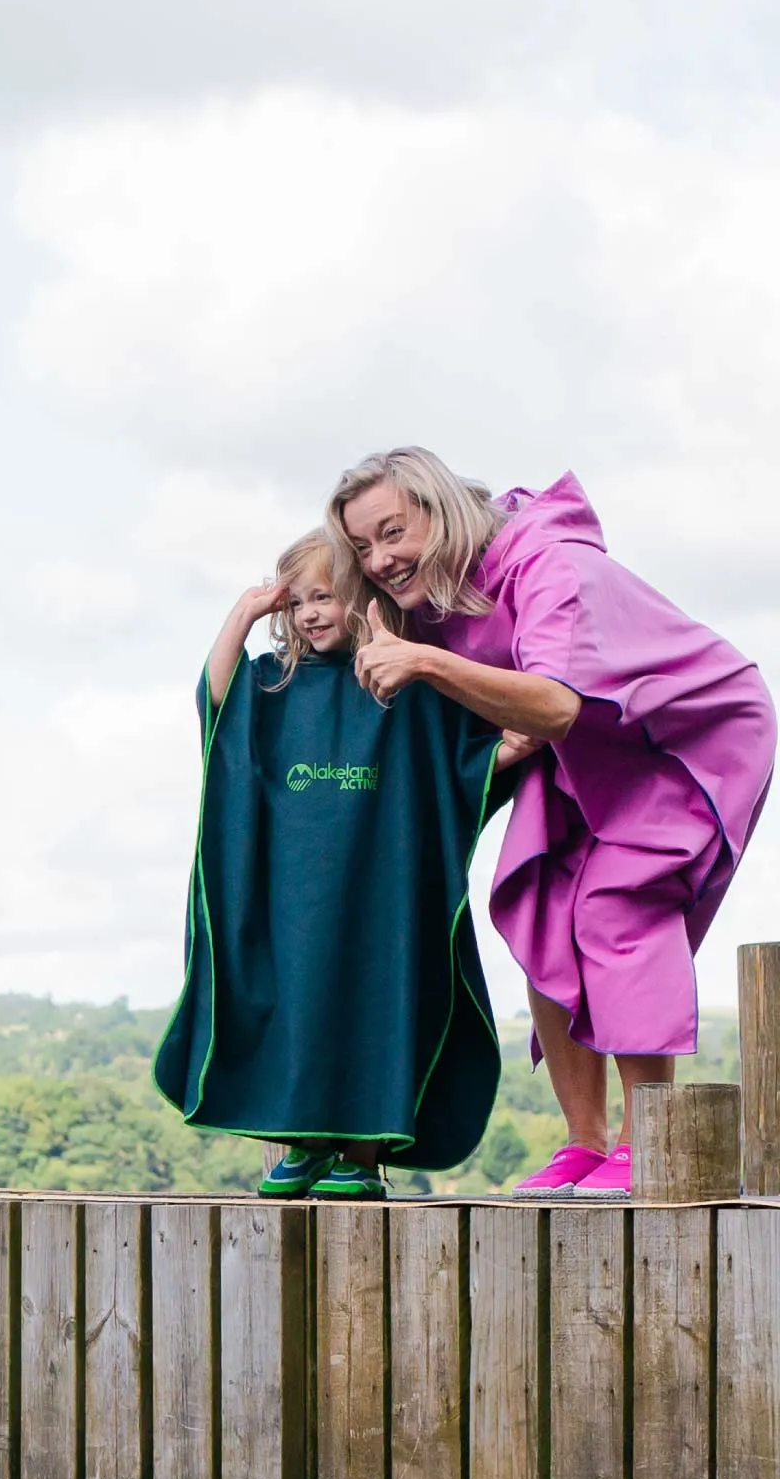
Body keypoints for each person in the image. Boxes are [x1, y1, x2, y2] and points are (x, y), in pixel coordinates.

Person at [331, 449, 776, 1195]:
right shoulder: (440, 601)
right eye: (363, 547)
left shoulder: (550, 566)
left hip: (681, 735)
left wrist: (426, 664)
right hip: (581, 747)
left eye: (393, 532)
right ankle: (586, 1139)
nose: (380, 558)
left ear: (441, 512)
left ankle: (649, 1139)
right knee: (536, 904)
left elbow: (555, 701)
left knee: (615, 904)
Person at [154, 531, 505, 1201]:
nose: (311, 613)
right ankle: (302, 1145)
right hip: (291, 898)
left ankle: (362, 1156)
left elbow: (457, 764)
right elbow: (218, 703)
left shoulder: (406, 684)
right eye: (300, 602)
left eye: (328, 597)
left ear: (365, 599)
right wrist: (244, 614)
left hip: (382, 896)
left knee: (377, 1009)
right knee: (300, 1010)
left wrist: (505, 753)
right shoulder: (274, 682)